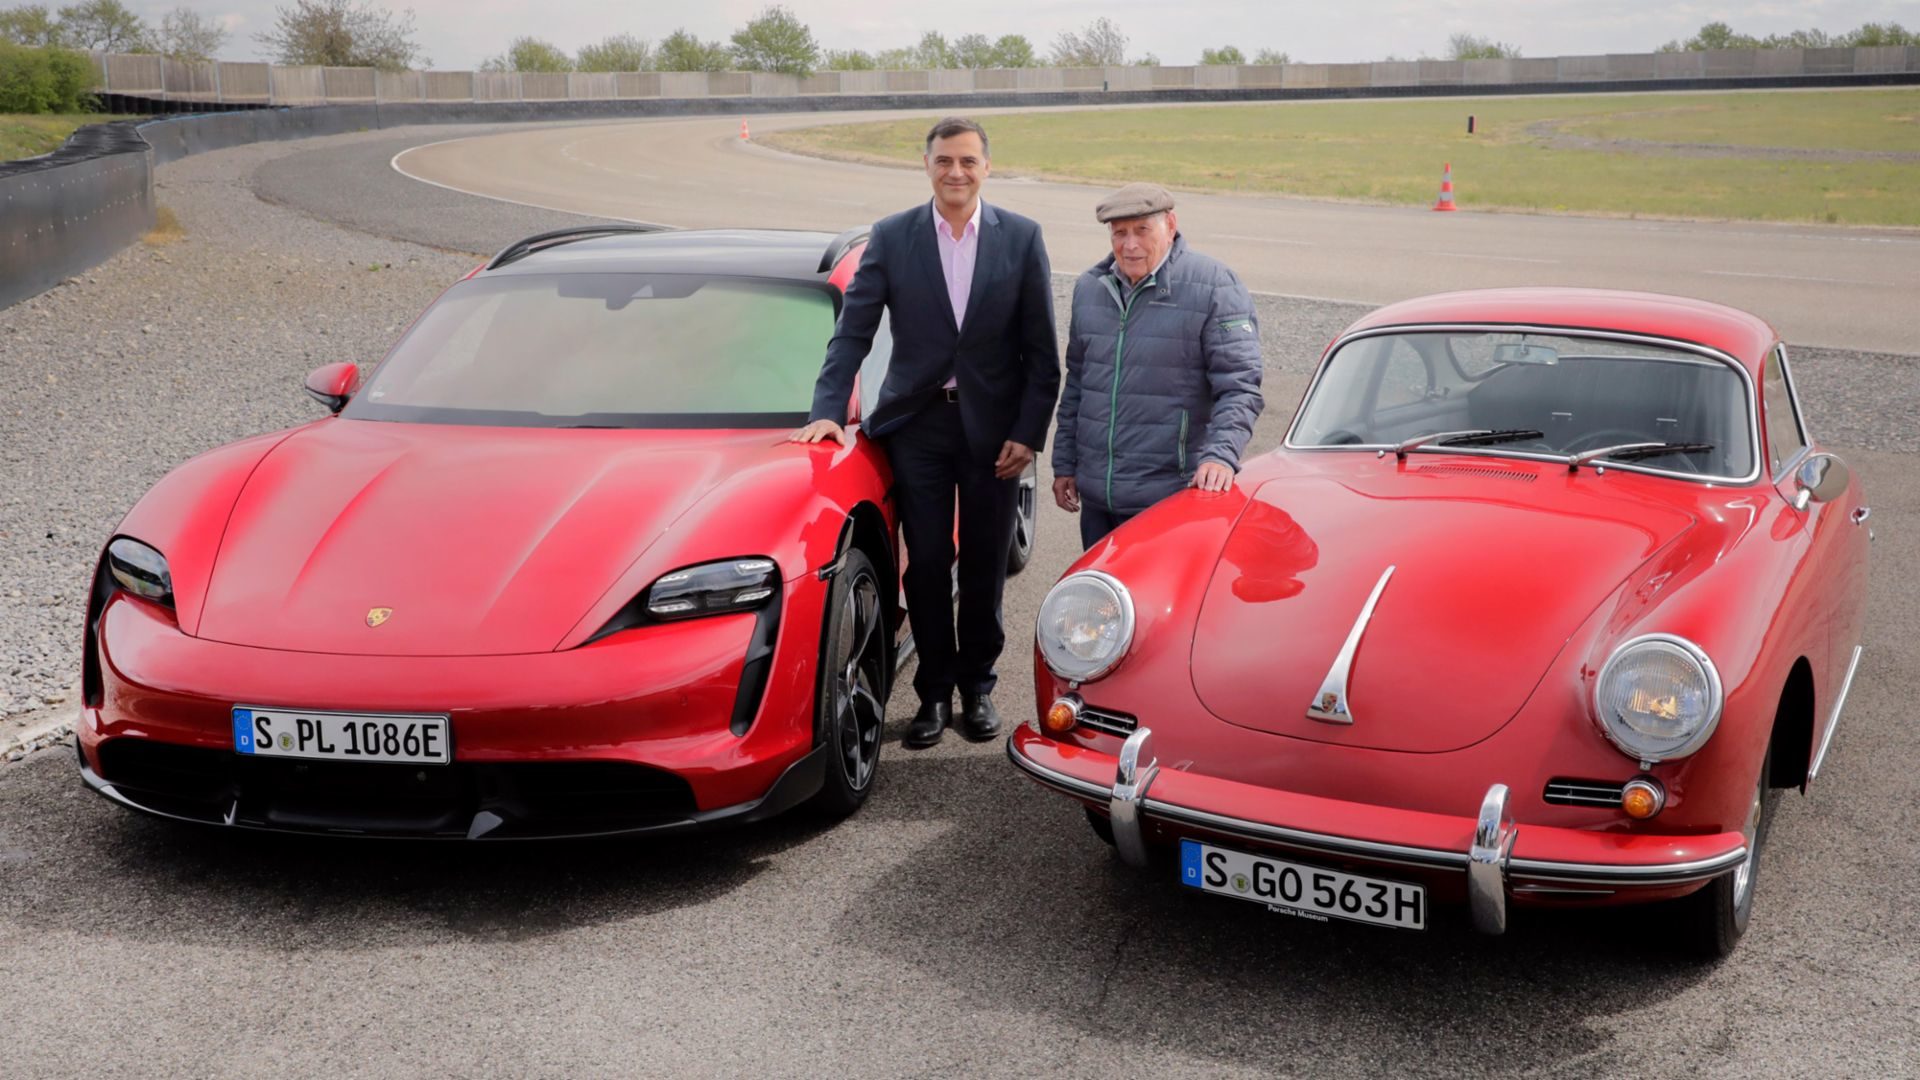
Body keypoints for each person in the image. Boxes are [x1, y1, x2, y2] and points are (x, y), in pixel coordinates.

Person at [791, 117, 1059, 750]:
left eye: (968, 161)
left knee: (988, 564)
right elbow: (852, 331)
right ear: (927, 164)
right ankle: (934, 692)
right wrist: (828, 407)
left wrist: (1029, 432)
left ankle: (979, 687)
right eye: (944, 161)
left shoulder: (1021, 239)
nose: (956, 172)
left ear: (986, 167)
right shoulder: (893, 237)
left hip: (995, 432)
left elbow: (1040, 351)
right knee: (930, 565)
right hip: (919, 428)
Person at [1051, 183, 1264, 547]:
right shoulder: (1090, 288)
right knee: (1103, 601)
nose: (1129, 244)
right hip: (1099, 500)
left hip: (1170, 497)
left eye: (1142, 230)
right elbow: (1079, 383)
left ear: (1170, 225)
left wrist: (1220, 456)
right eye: (1120, 233)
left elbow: (1239, 386)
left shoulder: (1214, 286)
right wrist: (1065, 463)